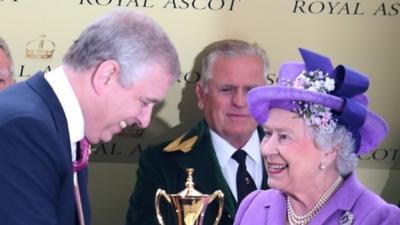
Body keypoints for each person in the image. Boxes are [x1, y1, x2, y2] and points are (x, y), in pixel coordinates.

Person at [0, 9, 180, 225]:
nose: (144, 120)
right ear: (107, 75)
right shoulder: (24, 128)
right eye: (144, 102)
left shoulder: (65, 126)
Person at [234, 48, 400, 225]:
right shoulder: (253, 206)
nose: (266, 149)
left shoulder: (377, 218)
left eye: (284, 136)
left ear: (330, 149)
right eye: (267, 134)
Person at [126, 39, 270, 225]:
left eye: (251, 91)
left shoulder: (295, 156)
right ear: (201, 96)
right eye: (227, 90)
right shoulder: (161, 165)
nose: (240, 102)